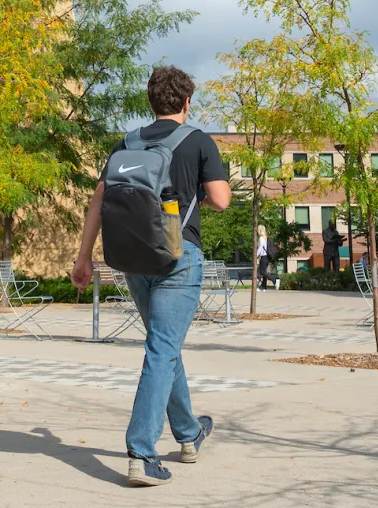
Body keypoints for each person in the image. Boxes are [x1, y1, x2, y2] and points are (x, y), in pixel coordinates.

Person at [71, 65, 231, 487]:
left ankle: (189, 433)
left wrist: (84, 258)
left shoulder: (127, 143)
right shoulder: (198, 140)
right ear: (186, 102)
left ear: (152, 102)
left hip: (133, 259)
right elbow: (221, 201)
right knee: (163, 348)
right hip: (179, 257)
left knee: (164, 344)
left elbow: (97, 204)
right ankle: (141, 453)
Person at [256, 224, 274, 291]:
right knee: (264, 272)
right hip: (267, 257)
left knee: (262, 272)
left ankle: (274, 279)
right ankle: (263, 287)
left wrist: (256, 256)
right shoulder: (265, 238)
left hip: (263, 257)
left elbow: (260, 248)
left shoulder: (261, 238)